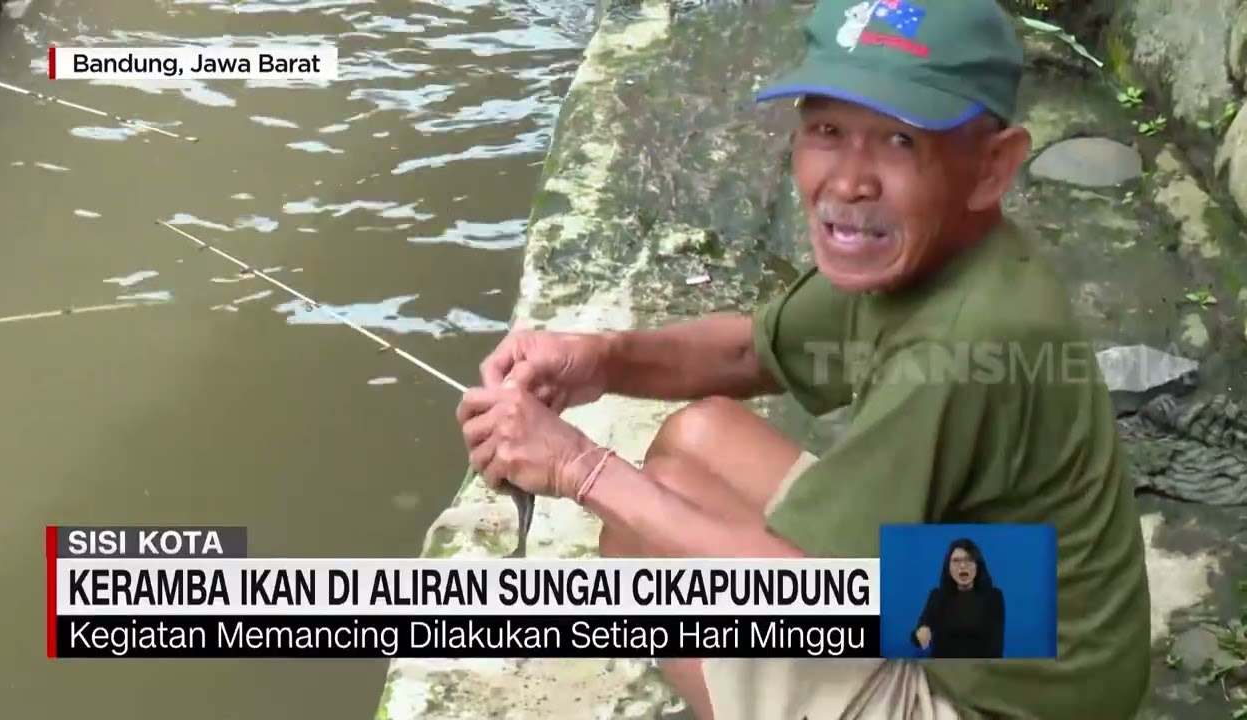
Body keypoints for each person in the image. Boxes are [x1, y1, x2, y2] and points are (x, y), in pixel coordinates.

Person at [456, 0, 1151, 718]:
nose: (848, 182)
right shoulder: (935, 253)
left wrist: (578, 466)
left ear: (991, 167)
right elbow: (752, 348)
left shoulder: (963, 348)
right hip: (1023, 608)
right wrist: (601, 359)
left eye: (901, 142)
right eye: (827, 131)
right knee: (695, 441)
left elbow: (818, 601)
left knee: (644, 552)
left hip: (1014, 696)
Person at [912, 539, 1005, 659]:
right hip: (943, 669)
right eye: (956, 561)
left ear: (978, 566)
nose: (962, 565)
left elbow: (996, 647)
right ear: (948, 568)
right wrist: (920, 635)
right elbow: (920, 633)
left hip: (980, 671)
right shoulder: (937, 596)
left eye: (969, 560)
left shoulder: (993, 597)